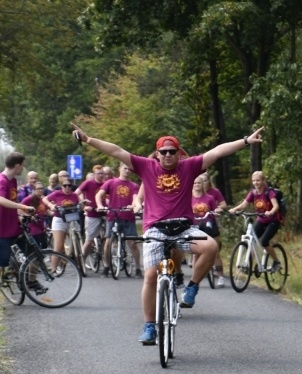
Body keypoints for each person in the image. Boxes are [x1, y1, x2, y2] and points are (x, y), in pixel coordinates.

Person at [71, 123, 264, 345]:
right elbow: (116, 151)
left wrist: (246, 141)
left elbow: (218, 151)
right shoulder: (146, 167)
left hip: (183, 227)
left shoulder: (190, 166)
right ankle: (149, 326)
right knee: (151, 276)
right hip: (155, 228)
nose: (168, 155)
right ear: (158, 154)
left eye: (173, 151)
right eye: (164, 152)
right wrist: (88, 140)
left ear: (179, 153)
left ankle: (191, 287)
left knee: (211, 246)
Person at [229, 170, 282, 273]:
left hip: (273, 220)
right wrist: (235, 209)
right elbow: (244, 204)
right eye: (253, 181)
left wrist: (271, 212)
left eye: (258, 180)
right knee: (251, 240)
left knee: (264, 241)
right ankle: (248, 264)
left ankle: (276, 262)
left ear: (263, 180)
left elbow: (276, 206)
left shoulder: (269, 192)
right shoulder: (253, 192)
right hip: (261, 219)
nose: (255, 183)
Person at [96, 162, 143, 277]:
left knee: (133, 243)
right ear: (120, 169)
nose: (127, 171)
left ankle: (138, 268)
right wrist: (99, 205)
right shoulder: (111, 182)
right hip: (113, 216)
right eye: (125, 168)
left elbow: (135, 198)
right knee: (107, 243)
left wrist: (133, 206)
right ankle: (106, 266)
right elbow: (98, 195)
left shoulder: (133, 186)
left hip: (127, 216)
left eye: (129, 169)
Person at [0, 153, 36, 272]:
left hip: (14, 227)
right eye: (22, 165)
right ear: (17, 166)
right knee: (3, 265)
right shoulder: (2, 180)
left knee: (34, 254)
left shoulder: (13, 181)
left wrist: (24, 213)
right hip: (2, 230)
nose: (23, 168)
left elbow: (13, 202)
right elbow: (1, 200)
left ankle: (32, 283)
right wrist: (23, 206)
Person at [42, 176, 84, 272]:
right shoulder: (57, 193)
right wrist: (51, 205)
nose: (67, 188)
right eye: (65, 186)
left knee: (77, 241)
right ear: (61, 186)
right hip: (59, 219)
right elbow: (45, 199)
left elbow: (80, 206)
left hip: (72, 219)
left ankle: (79, 265)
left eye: (69, 185)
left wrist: (83, 205)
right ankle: (53, 268)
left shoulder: (74, 195)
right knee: (58, 246)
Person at [191, 176, 225, 286]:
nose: (197, 185)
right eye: (195, 183)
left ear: (203, 185)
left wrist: (216, 212)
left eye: (199, 183)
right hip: (196, 226)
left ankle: (220, 276)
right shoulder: (188, 197)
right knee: (196, 253)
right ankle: (194, 278)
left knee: (216, 252)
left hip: (209, 225)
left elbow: (215, 210)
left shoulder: (209, 197)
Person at [77, 168, 106, 270]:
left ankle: (108, 263)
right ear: (94, 174)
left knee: (108, 238)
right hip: (92, 214)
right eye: (99, 174)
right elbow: (76, 193)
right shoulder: (89, 183)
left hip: (104, 213)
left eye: (102, 173)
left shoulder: (105, 183)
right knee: (89, 240)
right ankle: (81, 263)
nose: (101, 175)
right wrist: (84, 205)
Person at [20, 181, 49, 250]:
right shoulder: (29, 199)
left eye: (42, 188)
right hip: (33, 226)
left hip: (41, 225)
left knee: (44, 246)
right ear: (34, 190)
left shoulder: (43, 199)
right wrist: (29, 216)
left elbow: (47, 211)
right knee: (38, 247)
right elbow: (20, 208)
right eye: (38, 189)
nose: (40, 190)